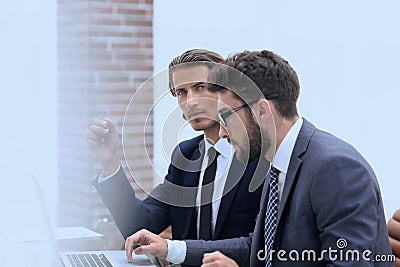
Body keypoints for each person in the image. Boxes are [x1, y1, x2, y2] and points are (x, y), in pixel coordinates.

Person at [124, 50, 393, 266]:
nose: (224, 132)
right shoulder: (281, 163)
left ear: (261, 110)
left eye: (227, 117)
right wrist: (171, 248)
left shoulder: (336, 168)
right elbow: (258, 247)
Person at [86, 49, 267, 263]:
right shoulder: (186, 156)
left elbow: (263, 246)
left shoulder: (261, 156)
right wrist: (110, 162)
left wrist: (172, 249)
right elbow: (138, 225)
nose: (190, 101)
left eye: (200, 87)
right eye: (181, 92)